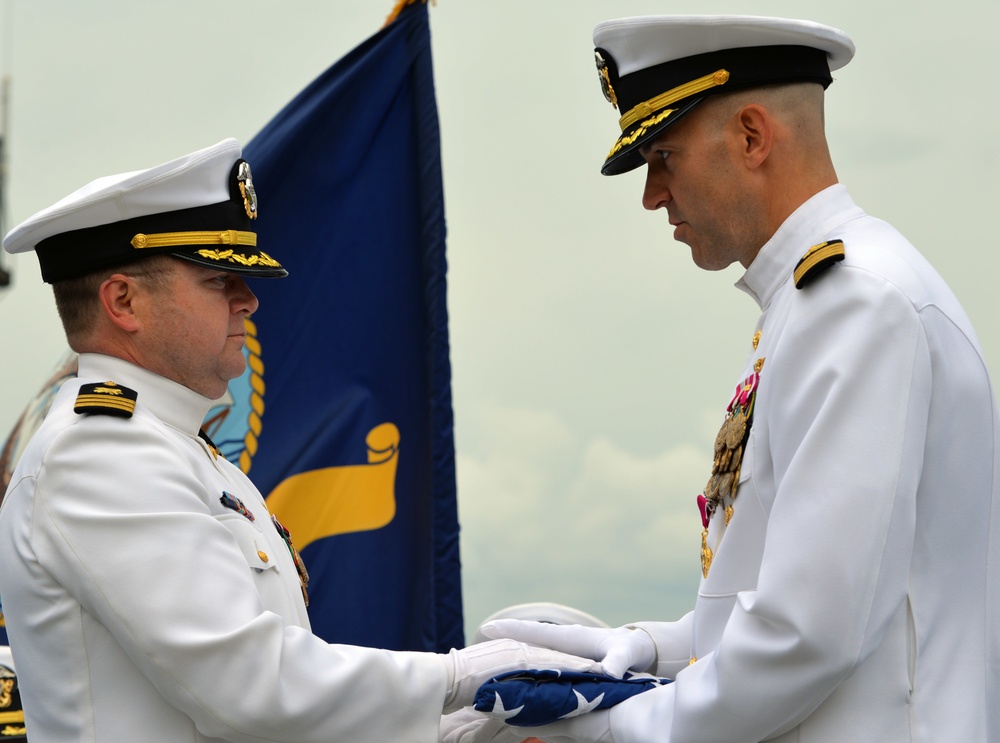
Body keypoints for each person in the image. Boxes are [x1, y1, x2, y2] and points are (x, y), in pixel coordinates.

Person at [474, 14, 1000, 743]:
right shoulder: (819, 301)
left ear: (752, 137)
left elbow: (806, 635)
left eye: (664, 155)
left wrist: (610, 729)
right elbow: (793, 594)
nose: (653, 194)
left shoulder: (857, 305)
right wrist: (650, 649)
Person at [0, 139, 596, 743]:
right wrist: (460, 677)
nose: (249, 300)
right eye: (218, 279)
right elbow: (250, 686)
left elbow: (271, 712)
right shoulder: (99, 453)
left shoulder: (183, 451)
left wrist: (457, 730)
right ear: (123, 301)